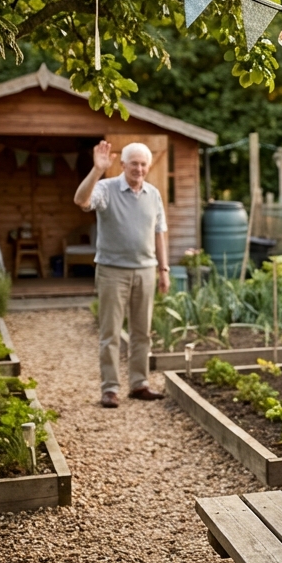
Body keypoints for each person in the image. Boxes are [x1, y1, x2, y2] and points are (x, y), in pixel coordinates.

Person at [74, 140, 170, 409]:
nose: (139, 168)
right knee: (111, 333)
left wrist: (164, 269)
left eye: (143, 164)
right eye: (134, 163)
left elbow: (159, 233)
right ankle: (110, 389)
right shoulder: (105, 188)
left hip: (146, 270)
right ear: (123, 164)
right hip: (112, 271)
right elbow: (81, 200)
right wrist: (96, 170)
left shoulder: (153, 194)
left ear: (148, 166)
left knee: (142, 332)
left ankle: (139, 384)